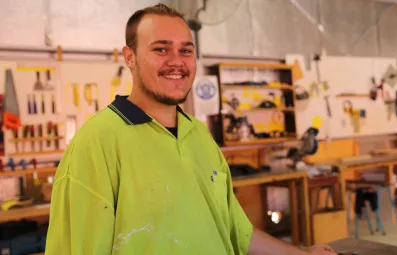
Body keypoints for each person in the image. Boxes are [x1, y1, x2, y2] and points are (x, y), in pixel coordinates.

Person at [45, 3, 336, 255]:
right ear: (129, 57)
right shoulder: (96, 143)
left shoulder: (198, 135)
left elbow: (236, 230)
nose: (177, 61)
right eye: (161, 49)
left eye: (186, 50)